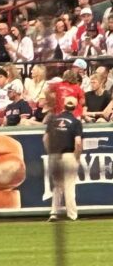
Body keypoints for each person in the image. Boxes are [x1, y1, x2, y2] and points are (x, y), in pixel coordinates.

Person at [46, 93, 84, 221]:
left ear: (63, 105)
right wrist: (76, 157)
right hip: (68, 154)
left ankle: (54, 213)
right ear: (75, 107)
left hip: (55, 154)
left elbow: (45, 138)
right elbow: (78, 142)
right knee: (69, 186)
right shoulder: (75, 122)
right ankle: (72, 215)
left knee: (57, 186)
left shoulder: (53, 120)